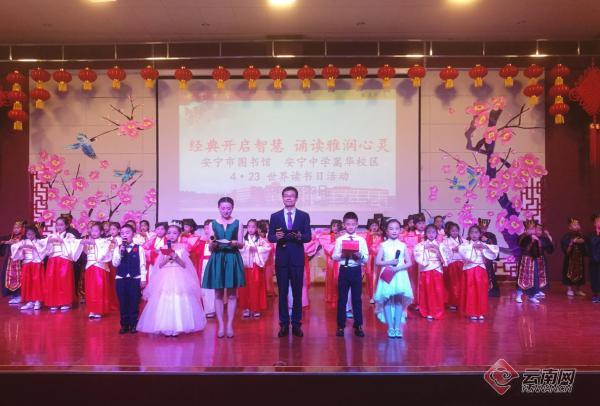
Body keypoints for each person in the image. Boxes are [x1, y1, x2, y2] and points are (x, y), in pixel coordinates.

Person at [137, 224, 206, 337]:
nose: (171, 235)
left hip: (179, 276)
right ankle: (164, 325)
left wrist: (175, 256)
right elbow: (159, 265)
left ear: (179, 235)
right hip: (166, 276)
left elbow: (184, 265)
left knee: (179, 298)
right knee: (165, 298)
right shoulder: (164, 247)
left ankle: (179, 325)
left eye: (174, 233)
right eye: (169, 233)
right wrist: (168, 257)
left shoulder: (182, 247)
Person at [268, 186, 312, 338]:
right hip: (281, 260)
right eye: (286, 195)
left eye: (291, 196)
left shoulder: (304, 216)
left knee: (297, 292)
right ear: (282, 198)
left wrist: (299, 236)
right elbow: (270, 237)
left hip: (297, 259)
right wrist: (277, 237)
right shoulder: (275, 216)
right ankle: (284, 324)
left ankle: (297, 324)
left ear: (296, 198)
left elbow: (308, 237)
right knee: (283, 293)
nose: (288, 198)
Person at [202, 197, 245, 339]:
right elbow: (210, 246)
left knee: (232, 294)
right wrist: (212, 243)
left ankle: (229, 325)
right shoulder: (213, 224)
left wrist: (235, 243)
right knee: (218, 294)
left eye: (228, 208)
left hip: (232, 258)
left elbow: (241, 244)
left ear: (233, 208)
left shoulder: (238, 223)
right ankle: (221, 325)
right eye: (223, 208)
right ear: (219, 208)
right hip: (218, 258)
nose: (226, 211)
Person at [374, 219, 413, 338]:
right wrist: (390, 262)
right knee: (387, 299)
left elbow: (409, 262)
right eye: (391, 229)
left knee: (398, 301)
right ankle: (390, 327)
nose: (394, 231)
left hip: (399, 274)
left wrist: (398, 268)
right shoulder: (383, 245)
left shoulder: (402, 245)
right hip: (387, 273)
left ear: (400, 230)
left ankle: (397, 327)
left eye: (396, 228)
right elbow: (377, 261)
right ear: (386, 231)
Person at [332, 212, 368, 337]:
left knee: (357, 299)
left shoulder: (361, 240)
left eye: (353, 224)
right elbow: (334, 256)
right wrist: (341, 255)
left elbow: (366, 259)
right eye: (348, 224)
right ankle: (340, 326)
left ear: (357, 225)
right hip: (344, 270)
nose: (351, 226)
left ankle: (358, 325)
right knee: (342, 299)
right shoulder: (340, 240)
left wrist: (360, 256)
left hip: (356, 270)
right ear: (344, 225)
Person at [458, 225, 499, 321]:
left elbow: (494, 250)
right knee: (471, 291)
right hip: (469, 270)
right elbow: (461, 250)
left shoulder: (483, 244)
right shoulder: (465, 245)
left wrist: (484, 246)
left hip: (481, 269)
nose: (474, 234)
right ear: (469, 234)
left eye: (476, 232)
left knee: (481, 291)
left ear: (480, 234)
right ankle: (471, 312)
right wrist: (472, 246)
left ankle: (480, 312)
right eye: (472, 232)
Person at [111, 224, 146, 334]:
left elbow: (142, 264)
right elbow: (115, 264)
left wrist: (143, 279)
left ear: (133, 234)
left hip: (135, 278)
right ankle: (124, 325)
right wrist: (120, 253)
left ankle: (134, 324)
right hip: (121, 278)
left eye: (127, 232)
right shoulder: (117, 248)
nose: (125, 235)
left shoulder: (139, 248)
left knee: (134, 302)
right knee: (123, 302)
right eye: (122, 233)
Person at [44, 217, 83, 311]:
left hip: (64, 260)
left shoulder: (69, 236)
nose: (59, 227)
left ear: (66, 226)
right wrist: (48, 241)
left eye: (61, 225)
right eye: (57, 225)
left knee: (64, 281)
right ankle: (54, 302)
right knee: (53, 281)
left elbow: (75, 243)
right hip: (53, 260)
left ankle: (66, 302)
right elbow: (44, 245)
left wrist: (63, 241)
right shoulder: (52, 235)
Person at [414, 224, 449, 320]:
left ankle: (437, 311)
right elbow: (417, 255)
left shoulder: (441, 245)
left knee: (437, 291)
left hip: (437, 269)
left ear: (436, 233)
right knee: (426, 290)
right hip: (426, 269)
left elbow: (446, 258)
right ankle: (427, 311)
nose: (431, 234)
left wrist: (438, 251)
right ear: (425, 234)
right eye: (429, 232)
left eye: (433, 232)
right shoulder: (420, 245)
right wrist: (425, 248)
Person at [238, 219, 271, 318]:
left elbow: (268, 248)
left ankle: (256, 308)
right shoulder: (242, 240)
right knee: (244, 289)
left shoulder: (260, 239)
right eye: (249, 226)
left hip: (255, 266)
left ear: (256, 228)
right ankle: (246, 308)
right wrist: (246, 248)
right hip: (245, 267)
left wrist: (257, 249)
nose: (250, 229)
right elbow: (238, 249)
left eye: (253, 227)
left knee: (256, 288)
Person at [81, 223, 113, 319]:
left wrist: (94, 243)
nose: (93, 233)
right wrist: (83, 243)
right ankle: (92, 309)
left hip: (99, 267)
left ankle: (99, 309)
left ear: (101, 232)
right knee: (90, 289)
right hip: (90, 266)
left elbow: (107, 250)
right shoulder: (88, 240)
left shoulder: (104, 241)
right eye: (92, 230)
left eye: (96, 231)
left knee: (99, 288)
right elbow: (85, 251)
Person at [10, 225, 46, 311]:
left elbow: (45, 250)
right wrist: (20, 247)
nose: (30, 236)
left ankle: (37, 301)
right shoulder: (23, 242)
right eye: (28, 234)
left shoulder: (39, 242)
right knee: (27, 282)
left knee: (37, 282)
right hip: (26, 263)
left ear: (35, 233)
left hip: (36, 263)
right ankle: (30, 301)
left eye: (32, 234)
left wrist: (35, 247)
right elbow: (14, 247)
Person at [516, 220, 549, 304]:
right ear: (526, 230)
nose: (532, 230)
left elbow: (539, 250)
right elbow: (522, 246)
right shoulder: (522, 237)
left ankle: (532, 296)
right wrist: (531, 239)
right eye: (529, 229)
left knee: (534, 278)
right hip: (525, 260)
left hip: (533, 261)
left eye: (533, 229)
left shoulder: (536, 237)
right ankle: (519, 295)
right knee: (522, 278)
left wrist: (538, 242)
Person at [0, 220, 26, 304]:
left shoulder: (24, 237)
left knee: (20, 278)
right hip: (9, 262)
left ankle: (19, 295)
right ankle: (13, 295)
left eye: (18, 228)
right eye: (14, 228)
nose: (16, 229)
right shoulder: (10, 237)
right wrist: (6, 242)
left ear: (22, 228)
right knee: (8, 277)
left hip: (20, 262)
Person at [560, 218, 587, 297]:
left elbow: (585, 244)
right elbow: (566, 250)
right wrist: (572, 242)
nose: (576, 226)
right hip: (570, 259)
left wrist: (581, 240)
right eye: (574, 225)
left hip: (579, 259)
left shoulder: (581, 235)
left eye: (577, 224)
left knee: (580, 274)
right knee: (568, 273)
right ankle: (569, 289)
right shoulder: (566, 236)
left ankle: (578, 290)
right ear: (569, 227)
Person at [441, 222, 463, 310]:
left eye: (456, 231)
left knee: (461, 283)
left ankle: (461, 301)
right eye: (452, 231)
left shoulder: (463, 241)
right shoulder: (445, 241)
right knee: (452, 284)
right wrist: (452, 249)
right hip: (452, 264)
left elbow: (467, 251)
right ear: (449, 232)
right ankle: (452, 302)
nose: (455, 232)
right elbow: (444, 251)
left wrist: (461, 248)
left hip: (461, 263)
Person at [320, 219, 343, 307]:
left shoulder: (343, 236)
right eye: (334, 226)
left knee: (340, 278)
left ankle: (341, 297)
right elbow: (327, 248)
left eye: (337, 226)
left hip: (341, 260)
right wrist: (335, 244)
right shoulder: (327, 236)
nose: (335, 227)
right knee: (331, 278)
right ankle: (331, 297)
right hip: (331, 260)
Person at [478, 218, 500, 297]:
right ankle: (479, 290)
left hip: (487, 258)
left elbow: (495, 246)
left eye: (485, 227)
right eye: (481, 227)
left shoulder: (491, 235)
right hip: (477, 258)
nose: (483, 229)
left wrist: (487, 240)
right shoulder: (476, 234)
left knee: (489, 273)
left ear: (487, 227)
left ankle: (490, 290)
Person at [198, 219, 216, 318]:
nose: (207, 230)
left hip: (212, 264)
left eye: (209, 228)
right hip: (203, 265)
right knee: (203, 287)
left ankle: (212, 309)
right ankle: (204, 308)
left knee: (212, 287)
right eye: (205, 228)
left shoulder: (216, 240)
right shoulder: (200, 241)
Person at [365, 219, 383, 305]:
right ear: (369, 227)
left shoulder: (381, 235)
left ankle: (379, 295)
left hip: (379, 257)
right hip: (371, 258)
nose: (374, 227)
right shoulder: (368, 235)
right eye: (372, 225)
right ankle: (372, 296)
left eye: (376, 225)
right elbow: (366, 246)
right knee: (371, 276)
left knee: (379, 276)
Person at [587, 214, 600, 303]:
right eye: (598, 221)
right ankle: (596, 294)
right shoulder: (590, 235)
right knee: (595, 277)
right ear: (594, 223)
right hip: (594, 260)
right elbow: (591, 245)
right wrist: (598, 234)